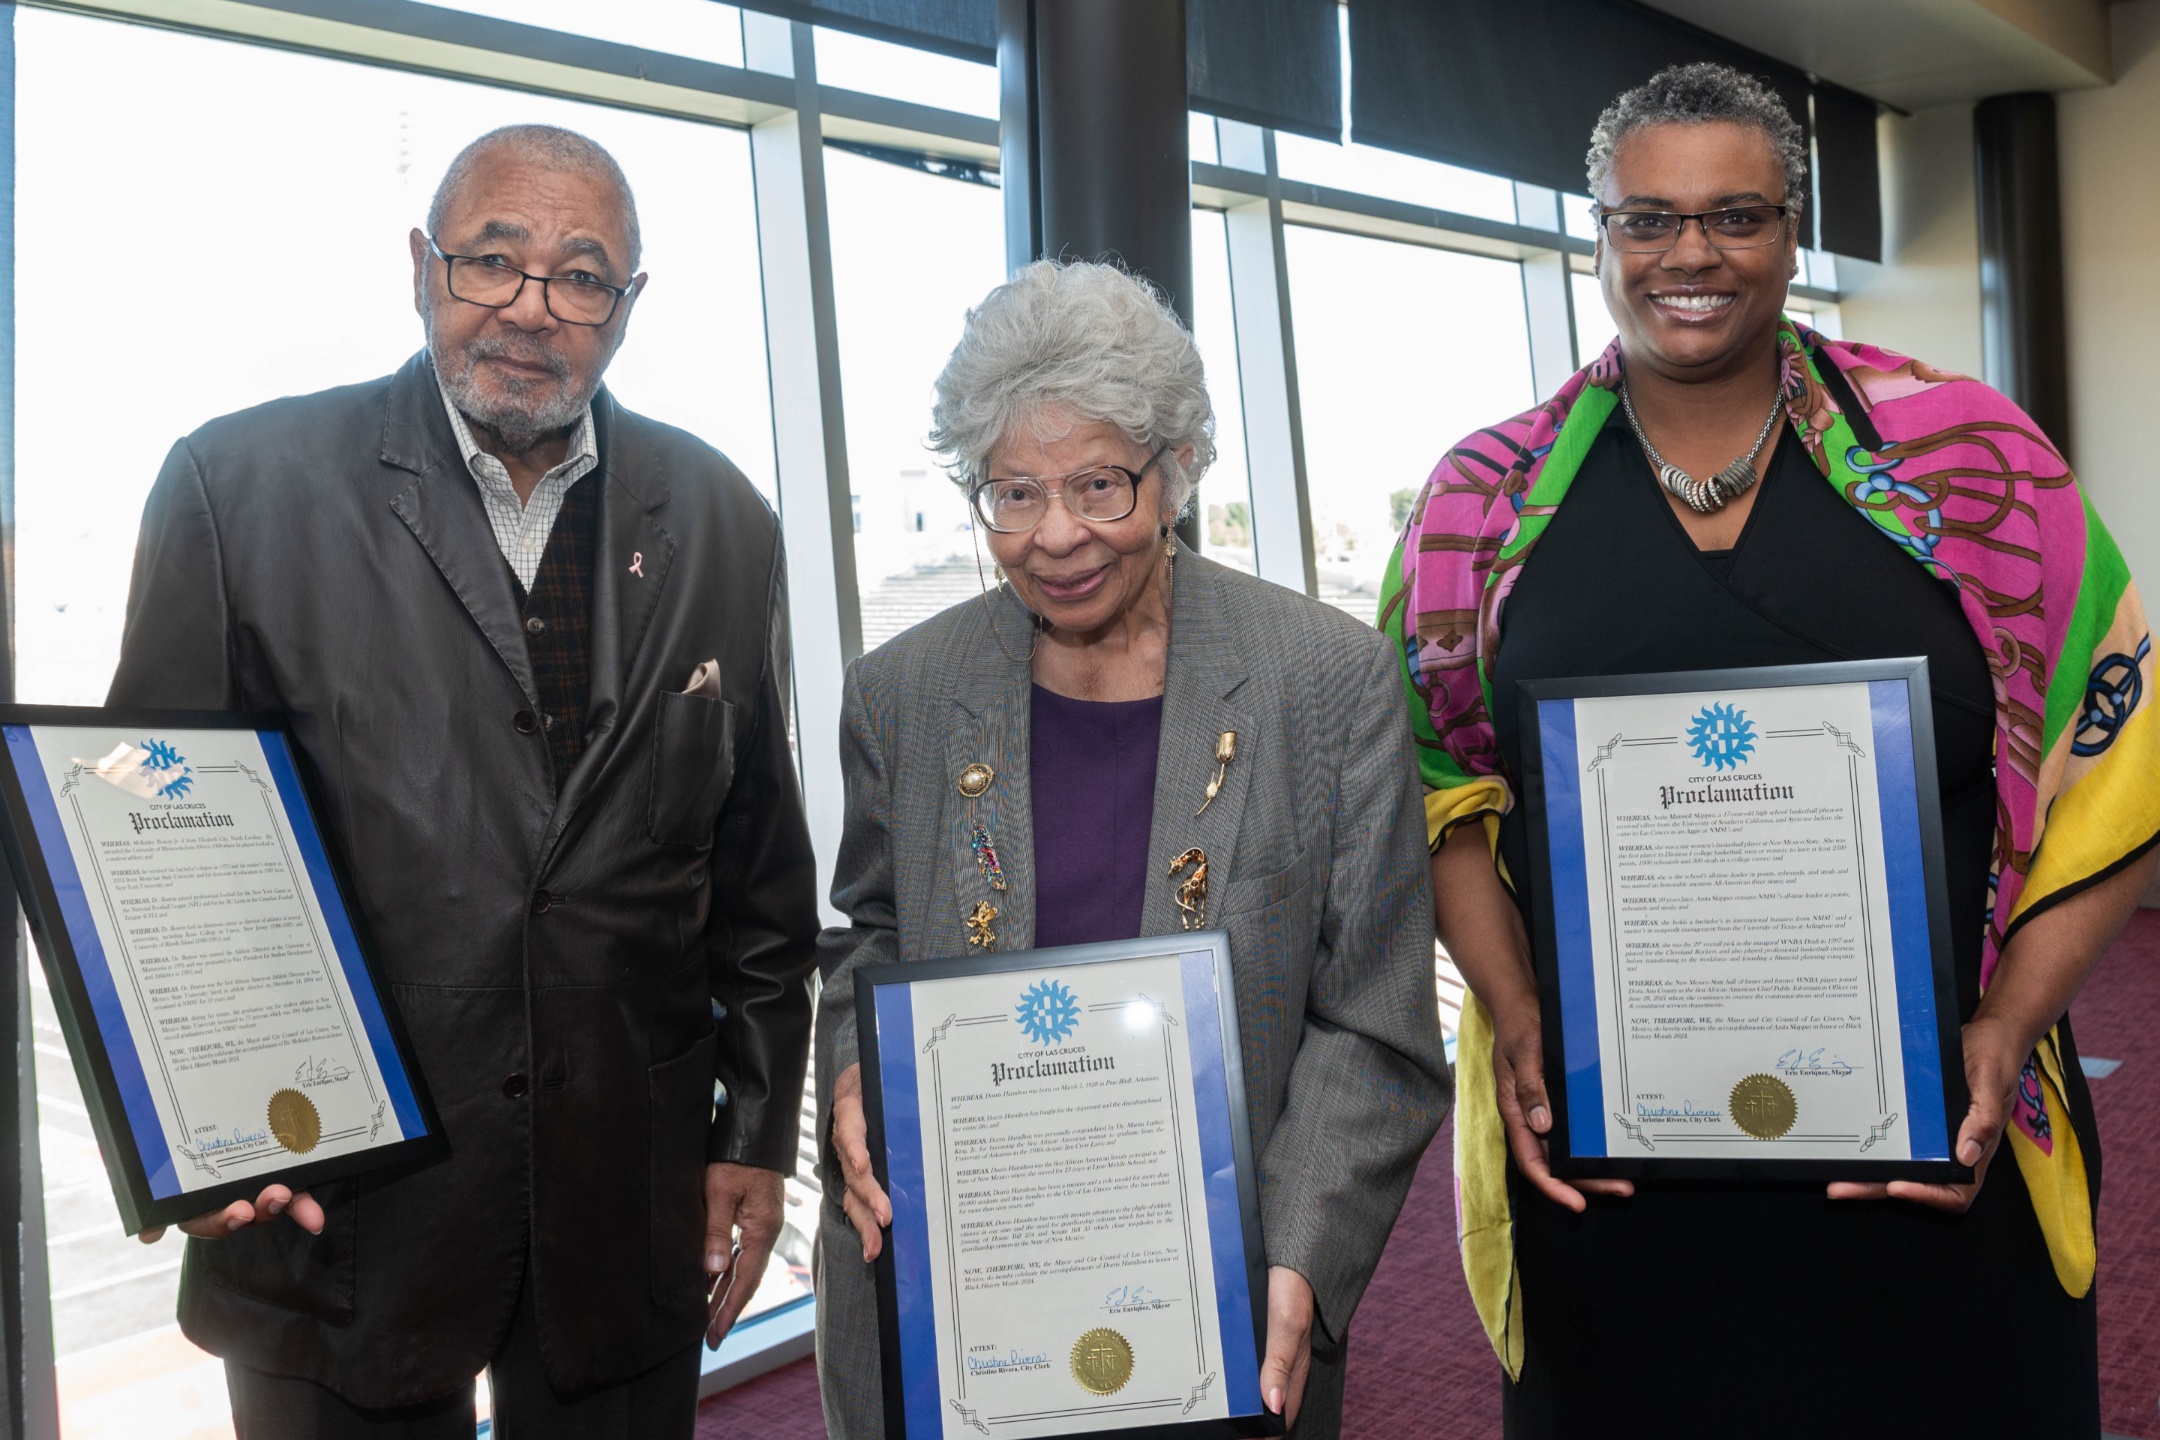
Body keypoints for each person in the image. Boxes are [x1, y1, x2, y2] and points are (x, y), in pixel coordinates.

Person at [1382, 62, 2160, 1436]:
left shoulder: (1970, 464)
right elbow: (1443, 790)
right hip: (1614, 1174)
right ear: (1598, 232)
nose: (1692, 252)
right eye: (1648, 218)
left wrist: (2004, 1029)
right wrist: (1509, 1012)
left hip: (1938, 1147)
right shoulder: (1482, 504)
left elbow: (2121, 752)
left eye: (1736, 214)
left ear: (1795, 231)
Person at [106, 124, 821, 1438]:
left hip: (626, 1196)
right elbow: (150, 852)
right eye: (492, 260)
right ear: (423, 267)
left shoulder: (726, 521)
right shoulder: (235, 487)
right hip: (334, 1200)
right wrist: (187, 1135)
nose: (530, 309)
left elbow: (761, 885)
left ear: (629, 304)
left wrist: (756, 1134)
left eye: (582, 276)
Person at [810, 260, 1451, 1438]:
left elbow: (1373, 1023)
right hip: (966, 1288)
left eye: (1099, 485)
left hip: (1226, 1289)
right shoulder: (902, 690)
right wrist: (855, 1068)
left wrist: (1303, 1256)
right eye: (1013, 493)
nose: (1057, 536)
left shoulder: (1323, 680)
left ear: (1177, 471)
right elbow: (872, 939)